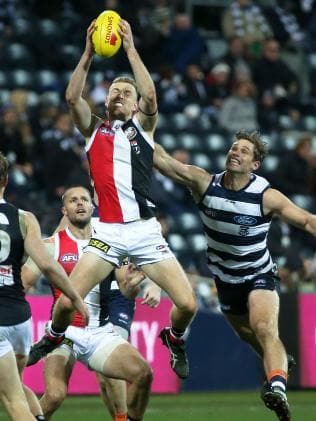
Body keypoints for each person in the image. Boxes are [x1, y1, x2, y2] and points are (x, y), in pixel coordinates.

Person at [28, 17, 197, 387]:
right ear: (106, 100)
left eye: (126, 92)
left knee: (188, 305)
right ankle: (54, 336)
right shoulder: (94, 130)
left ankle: (175, 338)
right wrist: (88, 53)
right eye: (115, 91)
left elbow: (152, 96)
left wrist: (131, 49)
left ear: (136, 105)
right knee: (69, 298)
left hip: (144, 231)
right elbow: (73, 98)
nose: (120, 95)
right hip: (107, 231)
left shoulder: (145, 130)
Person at [152, 130, 316, 420]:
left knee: (264, 327)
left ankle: (276, 386)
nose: (235, 152)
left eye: (243, 150)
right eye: (233, 148)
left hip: (259, 274)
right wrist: (134, 129)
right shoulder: (204, 182)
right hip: (225, 280)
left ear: (255, 164)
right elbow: (163, 161)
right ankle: (277, 364)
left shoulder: (266, 195)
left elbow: (305, 219)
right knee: (249, 335)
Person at [23, 185, 161, 421]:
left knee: (143, 374)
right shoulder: (50, 245)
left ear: (92, 206)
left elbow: (125, 288)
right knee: (55, 395)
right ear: (63, 210)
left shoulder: (110, 242)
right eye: (73, 200)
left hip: (100, 332)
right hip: (63, 333)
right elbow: (24, 281)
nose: (79, 203)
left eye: (84, 199)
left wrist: (134, 284)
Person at [0, 152, 88, 421]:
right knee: (16, 385)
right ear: (5, 180)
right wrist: (77, 298)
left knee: (11, 399)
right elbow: (49, 266)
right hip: (20, 320)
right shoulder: (24, 218)